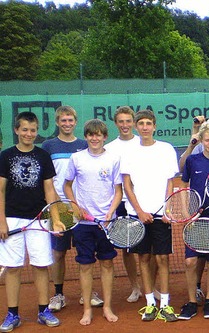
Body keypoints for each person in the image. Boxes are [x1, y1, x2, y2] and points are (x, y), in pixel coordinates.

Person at [0, 112, 62, 332]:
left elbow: (49, 190)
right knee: (13, 268)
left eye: (33, 130)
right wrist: (1, 222)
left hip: (39, 219)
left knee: (41, 265)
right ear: (16, 130)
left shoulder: (43, 156)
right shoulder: (5, 156)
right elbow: (1, 190)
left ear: (37, 132)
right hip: (12, 218)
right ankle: (12, 314)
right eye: (24, 129)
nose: (29, 134)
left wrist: (55, 219)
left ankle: (43, 310)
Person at [121, 110, 179, 322]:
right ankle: (149, 304)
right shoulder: (129, 152)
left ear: (154, 126)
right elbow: (127, 184)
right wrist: (139, 211)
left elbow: (170, 182)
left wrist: (167, 209)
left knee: (162, 258)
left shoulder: (165, 149)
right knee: (144, 257)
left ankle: (165, 304)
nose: (145, 127)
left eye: (149, 123)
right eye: (141, 124)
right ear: (137, 127)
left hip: (161, 215)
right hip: (138, 215)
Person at [41, 106, 101, 312]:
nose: (67, 124)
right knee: (58, 253)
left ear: (75, 122)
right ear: (57, 122)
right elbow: (47, 179)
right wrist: (58, 203)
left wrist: (78, 205)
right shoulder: (48, 146)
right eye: (63, 120)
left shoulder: (85, 144)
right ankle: (58, 294)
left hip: (82, 208)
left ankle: (88, 293)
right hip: (59, 208)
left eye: (70, 120)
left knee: (86, 251)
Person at [63, 119, 121, 325]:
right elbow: (67, 186)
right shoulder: (77, 158)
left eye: (98, 135)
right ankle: (87, 309)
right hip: (83, 224)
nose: (94, 138)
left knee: (107, 263)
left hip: (106, 223)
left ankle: (107, 306)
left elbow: (118, 190)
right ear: (86, 136)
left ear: (104, 137)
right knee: (85, 265)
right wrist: (75, 207)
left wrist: (111, 212)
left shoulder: (113, 159)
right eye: (90, 135)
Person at [177, 121, 209, 320]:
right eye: (206, 139)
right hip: (195, 219)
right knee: (191, 261)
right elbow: (183, 185)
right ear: (202, 140)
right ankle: (191, 301)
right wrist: (185, 211)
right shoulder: (193, 160)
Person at [104, 106, 145, 303]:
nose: (125, 125)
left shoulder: (142, 144)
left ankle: (150, 287)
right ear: (116, 123)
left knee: (148, 249)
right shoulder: (110, 148)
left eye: (128, 121)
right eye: (121, 121)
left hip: (144, 202)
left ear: (134, 123)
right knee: (127, 247)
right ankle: (135, 287)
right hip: (121, 203)